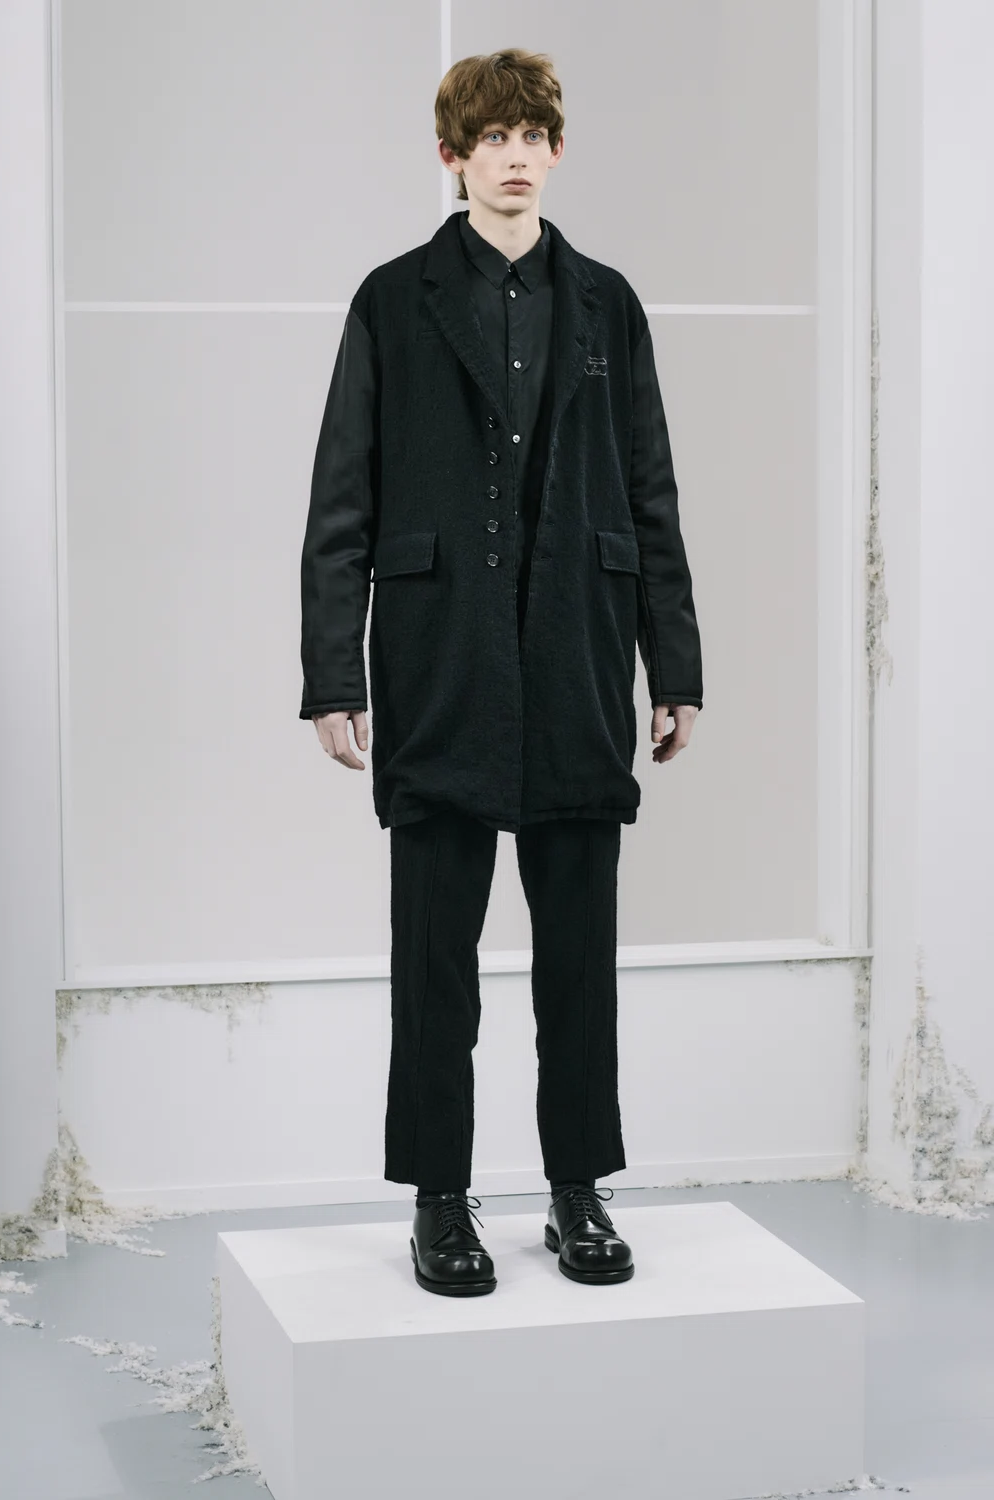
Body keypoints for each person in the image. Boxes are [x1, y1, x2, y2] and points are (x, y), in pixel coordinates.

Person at [298, 48, 703, 1296]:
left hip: (577, 654)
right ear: (453, 156)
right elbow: (342, 497)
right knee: (435, 962)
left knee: (577, 960)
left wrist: (674, 665)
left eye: (533, 136)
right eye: (492, 138)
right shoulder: (393, 299)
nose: (515, 155)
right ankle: (439, 1200)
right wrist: (333, 673)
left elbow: (649, 491)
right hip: (440, 661)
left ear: (556, 151)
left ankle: (578, 1190)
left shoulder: (607, 303)